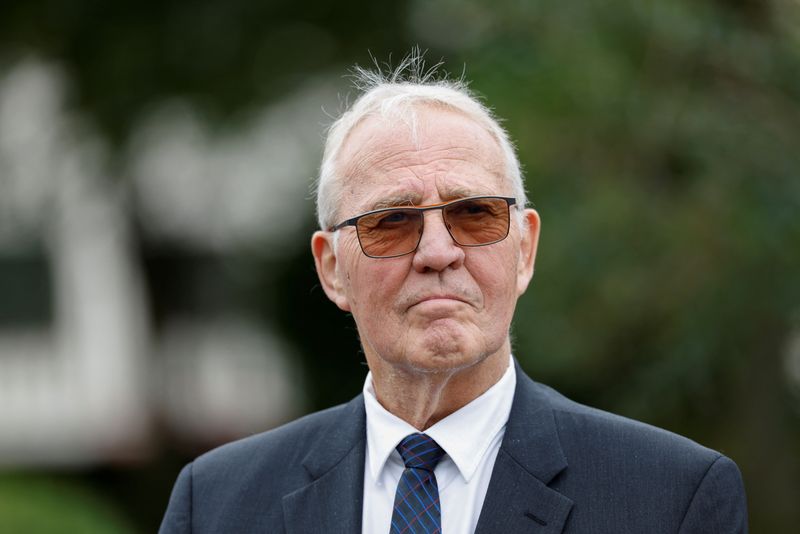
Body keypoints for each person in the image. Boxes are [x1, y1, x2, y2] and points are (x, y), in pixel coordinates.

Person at [159, 55, 748, 533]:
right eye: (391, 222)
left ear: (524, 250)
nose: (438, 252)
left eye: (474, 214)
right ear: (332, 268)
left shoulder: (672, 499)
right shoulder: (215, 505)